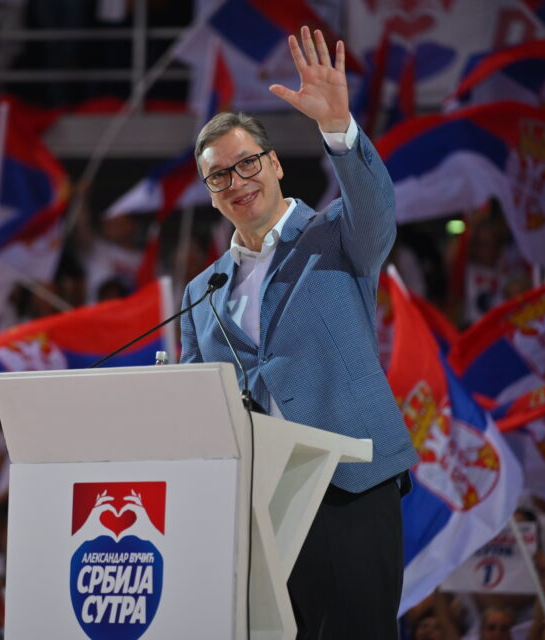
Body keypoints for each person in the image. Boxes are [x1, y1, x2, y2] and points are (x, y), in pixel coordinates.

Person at [179, 27, 419, 638]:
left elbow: (378, 209)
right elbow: (198, 406)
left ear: (275, 163)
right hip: (256, 504)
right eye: (219, 177)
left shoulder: (336, 235)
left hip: (347, 484)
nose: (237, 181)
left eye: (247, 163)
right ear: (210, 195)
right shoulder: (201, 293)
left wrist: (339, 128)